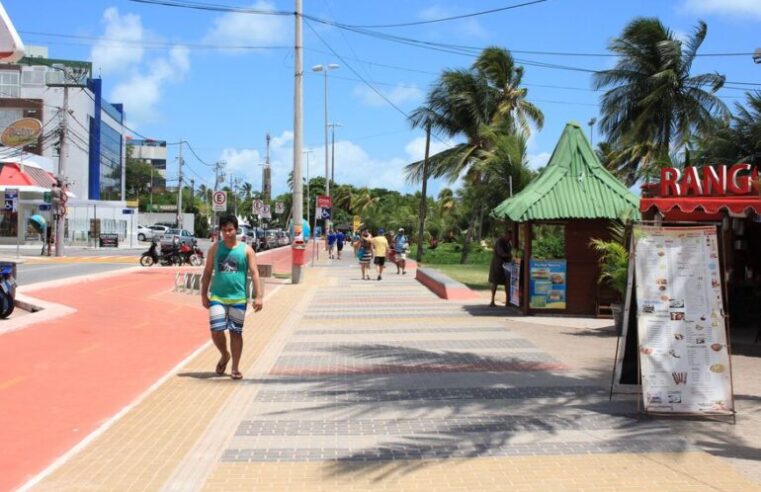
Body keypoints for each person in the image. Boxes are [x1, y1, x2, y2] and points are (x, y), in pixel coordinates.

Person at [201, 214, 263, 380]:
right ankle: (224, 355)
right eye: (224, 230)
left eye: (230, 230)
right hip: (218, 297)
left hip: (238, 298)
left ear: (236, 229)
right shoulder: (215, 249)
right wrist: (203, 294)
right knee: (216, 329)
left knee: (236, 333)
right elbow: (207, 272)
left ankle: (235, 367)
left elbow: (255, 273)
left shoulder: (246, 250)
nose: (227, 233)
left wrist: (259, 296)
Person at [489, 229, 514, 307]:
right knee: (495, 282)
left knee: (507, 282)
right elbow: (501, 254)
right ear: (506, 235)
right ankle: (492, 300)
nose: (510, 238)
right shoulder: (499, 242)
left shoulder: (508, 243)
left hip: (506, 265)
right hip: (497, 265)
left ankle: (507, 301)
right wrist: (511, 255)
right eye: (509, 236)